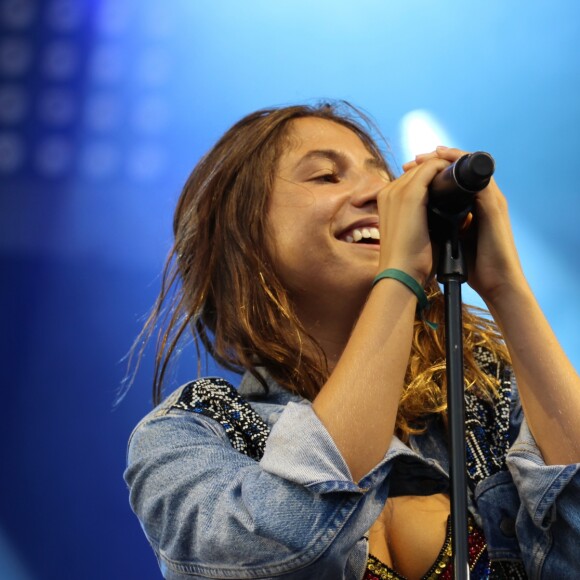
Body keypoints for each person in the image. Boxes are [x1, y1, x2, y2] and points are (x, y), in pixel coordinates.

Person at [124, 102, 580, 579]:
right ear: (245, 231)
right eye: (326, 176)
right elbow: (273, 552)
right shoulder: (191, 434)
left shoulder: (487, 403)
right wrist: (399, 275)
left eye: (381, 174)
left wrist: (508, 287)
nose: (381, 195)